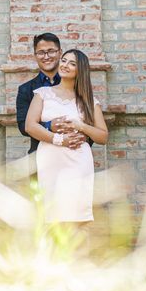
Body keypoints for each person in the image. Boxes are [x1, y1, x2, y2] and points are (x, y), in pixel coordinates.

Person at [25, 49, 108, 223]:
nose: (65, 65)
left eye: (72, 63)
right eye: (64, 60)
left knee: (78, 216)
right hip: (50, 158)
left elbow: (103, 136)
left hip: (78, 161)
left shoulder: (88, 101)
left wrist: (81, 126)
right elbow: (30, 126)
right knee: (51, 215)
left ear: (81, 70)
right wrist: (60, 139)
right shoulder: (43, 94)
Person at [16, 33, 62, 155]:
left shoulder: (76, 85)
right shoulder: (25, 90)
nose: (46, 56)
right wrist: (49, 126)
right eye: (41, 52)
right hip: (39, 155)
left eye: (51, 51)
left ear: (60, 52)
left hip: (73, 155)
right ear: (35, 56)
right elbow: (23, 127)